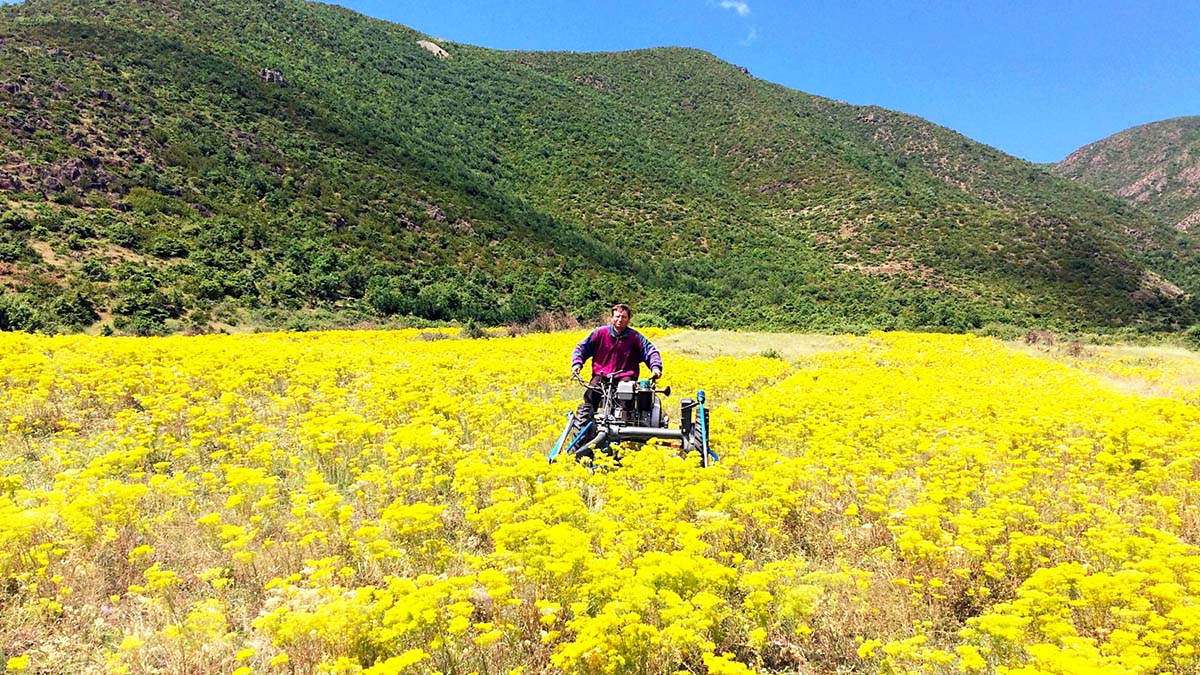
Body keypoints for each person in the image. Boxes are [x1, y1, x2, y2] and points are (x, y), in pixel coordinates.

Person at [570, 303, 662, 438]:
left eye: (624, 317)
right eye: (617, 316)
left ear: (628, 319)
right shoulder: (600, 333)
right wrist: (577, 363)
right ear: (611, 318)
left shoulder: (635, 337)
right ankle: (586, 431)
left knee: (625, 396)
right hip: (601, 375)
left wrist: (655, 368)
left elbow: (651, 352)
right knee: (591, 395)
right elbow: (581, 348)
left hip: (625, 376)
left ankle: (623, 432)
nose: (620, 320)